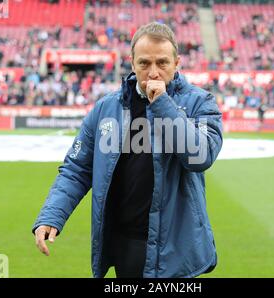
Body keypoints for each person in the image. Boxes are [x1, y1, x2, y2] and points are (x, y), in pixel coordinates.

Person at [32, 22, 223, 278]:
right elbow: (76, 169)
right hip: (125, 245)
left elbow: (201, 156)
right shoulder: (105, 108)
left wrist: (163, 104)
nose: (153, 72)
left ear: (177, 63)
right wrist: (52, 216)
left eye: (162, 63)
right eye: (144, 63)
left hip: (175, 250)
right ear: (131, 63)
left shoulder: (200, 102)